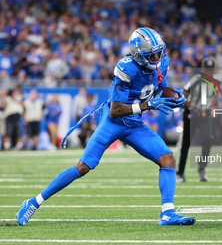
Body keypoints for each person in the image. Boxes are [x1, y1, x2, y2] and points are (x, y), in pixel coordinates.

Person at [16, 27, 196, 226]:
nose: (157, 57)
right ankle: (33, 202)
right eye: (151, 55)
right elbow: (116, 110)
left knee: (168, 159)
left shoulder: (161, 62)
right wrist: (149, 104)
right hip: (113, 122)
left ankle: (167, 214)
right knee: (83, 167)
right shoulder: (126, 67)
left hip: (134, 124)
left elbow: (159, 87)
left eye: (159, 52)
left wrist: (174, 95)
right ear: (138, 55)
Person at [177, 57, 217, 182]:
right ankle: (180, 173)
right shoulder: (196, 79)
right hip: (191, 114)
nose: (209, 72)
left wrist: (208, 108)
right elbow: (183, 94)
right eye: (207, 69)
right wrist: (194, 108)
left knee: (208, 139)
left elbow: (212, 98)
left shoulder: (215, 83)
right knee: (186, 143)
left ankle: (201, 168)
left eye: (211, 70)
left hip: (204, 114)